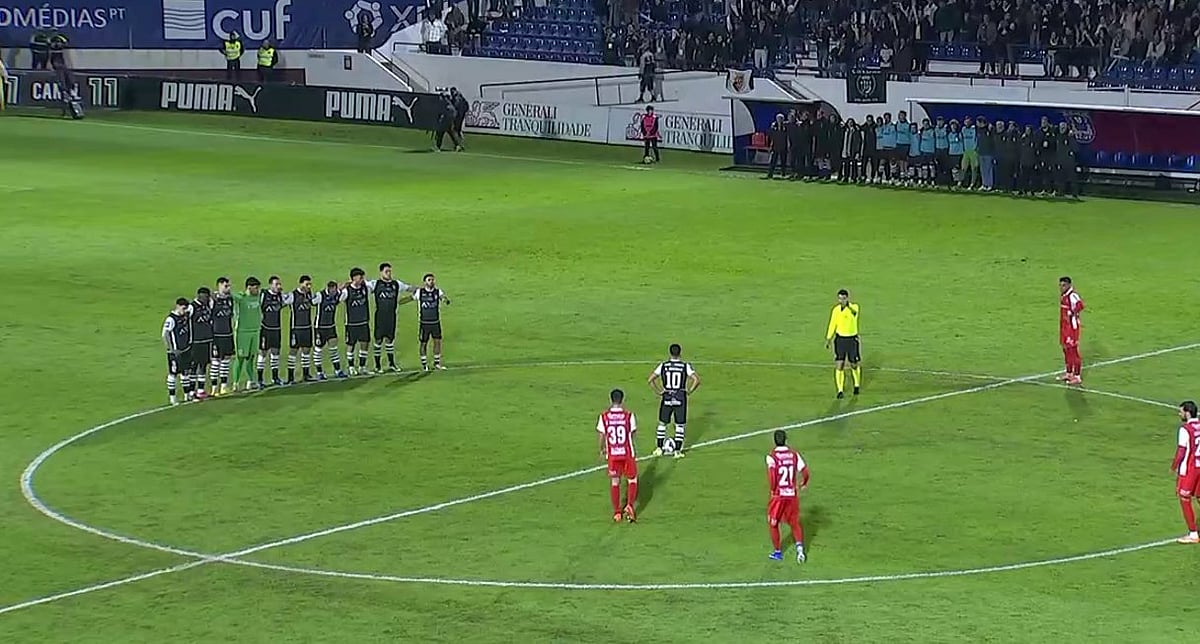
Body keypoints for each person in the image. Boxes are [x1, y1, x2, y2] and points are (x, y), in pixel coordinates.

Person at [648, 343, 700, 457]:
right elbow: (696, 379)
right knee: (679, 425)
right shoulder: (685, 366)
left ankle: (659, 449)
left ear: (670, 353)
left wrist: (659, 391)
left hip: (667, 396)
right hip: (680, 396)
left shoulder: (663, 365)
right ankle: (677, 451)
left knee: (662, 423)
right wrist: (689, 391)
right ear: (680, 353)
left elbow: (650, 379)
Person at [766, 429, 809, 563]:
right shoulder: (794, 455)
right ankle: (800, 550)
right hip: (792, 495)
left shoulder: (771, 457)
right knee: (794, 523)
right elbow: (805, 472)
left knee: (773, 523)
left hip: (779, 496)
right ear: (786, 440)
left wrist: (773, 490)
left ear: (775, 441)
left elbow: (772, 476)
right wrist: (803, 483)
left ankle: (778, 552)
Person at [597, 388, 638, 523]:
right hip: (627, 453)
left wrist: (602, 449)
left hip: (613, 454)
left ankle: (617, 513)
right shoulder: (629, 416)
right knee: (632, 480)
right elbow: (632, 434)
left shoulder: (604, 416)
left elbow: (602, 435)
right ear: (622, 400)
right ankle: (630, 506)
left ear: (611, 400)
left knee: (615, 481)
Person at [370, 262, 413, 373]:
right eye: (386, 271)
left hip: (391, 317)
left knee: (390, 340)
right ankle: (378, 365)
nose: (389, 274)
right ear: (381, 272)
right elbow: (360, 285)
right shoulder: (375, 284)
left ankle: (391, 363)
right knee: (378, 340)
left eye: (390, 271)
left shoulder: (396, 284)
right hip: (380, 317)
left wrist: (422, 289)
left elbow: (409, 288)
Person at [825, 288, 861, 399]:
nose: (842, 301)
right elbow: (832, 324)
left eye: (844, 298)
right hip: (840, 340)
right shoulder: (835, 310)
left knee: (853, 364)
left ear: (847, 298)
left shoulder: (854, 307)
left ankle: (856, 385)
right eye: (840, 299)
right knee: (839, 364)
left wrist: (847, 305)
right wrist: (828, 338)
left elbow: (855, 313)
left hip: (852, 340)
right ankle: (840, 390)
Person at [1173, 401, 1200, 544]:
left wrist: (1174, 466)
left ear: (1187, 413)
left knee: (1185, 499)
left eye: (1181, 411)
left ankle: (1193, 534)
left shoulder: (1185, 429)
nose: (1179, 414)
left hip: (1190, 469)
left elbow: (1182, 451)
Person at [413, 272, 450, 371]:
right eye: (429, 280)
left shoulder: (438, 292)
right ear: (424, 282)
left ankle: (437, 363)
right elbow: (412, 298)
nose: (431, 282)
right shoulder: (420, 292)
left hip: (435, 322)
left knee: (437, 342)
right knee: (423, 343)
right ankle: (424, 363)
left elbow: (443, 297)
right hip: (424, 323)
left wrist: (445, 300)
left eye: (432, 280)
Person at [231, 277, 263, 391]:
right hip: (242, 332)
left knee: (251, 357)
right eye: (256, 287)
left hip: (255, 331)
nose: (258, 290)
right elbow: (231, 295)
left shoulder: (258, 297)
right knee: (240, 358)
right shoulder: (241, 298)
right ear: (249, 287)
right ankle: (235, 383)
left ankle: (251, 381)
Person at [312, 280, 348, 380]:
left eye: (335, 290)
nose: (334, 292)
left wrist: (345, 285)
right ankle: (319, 372)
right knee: (318, 350)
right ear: (328, 288)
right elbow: (312, 302)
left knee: (333, 349)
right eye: (332, 290)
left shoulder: (336, 295)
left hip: (331, 326)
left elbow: (342, 293)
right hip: (320, 327)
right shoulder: (320, 295)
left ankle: (337, 370)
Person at [162, 297, 194, 405]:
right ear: (178, 306)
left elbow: (191, 308)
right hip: (175, 352)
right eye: (183, 308)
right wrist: (171, 349)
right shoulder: (171, 319)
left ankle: (187, 395)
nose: (185, 311)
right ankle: (172, 397)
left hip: (185, 350)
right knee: (173, 374)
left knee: (185, 373)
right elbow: (165, 334)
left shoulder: (185, 315)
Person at [286, 275, 317, 384]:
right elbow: (283, 302)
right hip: (296, 328)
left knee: (306, 350)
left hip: (307, 327)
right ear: (301, 284)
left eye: (310, 284)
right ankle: (290, 377)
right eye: (307, 284)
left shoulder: (309, 294)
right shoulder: (293, 295)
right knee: (293, 351)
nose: (309, 286)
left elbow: (315, 302)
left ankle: (306, 374)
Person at [343, 267, 372, 376]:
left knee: (365, 344)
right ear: (354, 278)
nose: (362, 279)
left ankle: (362, 367)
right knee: (351, 345)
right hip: (351, 323)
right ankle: (351, 367)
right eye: (360, 277)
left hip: (364, 322)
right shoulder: (347, 291)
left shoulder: (365, 288)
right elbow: (337, 298)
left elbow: (372, 285)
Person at [257, 275, 286, 387]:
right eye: (276, 284)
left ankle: (275, 377)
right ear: (270, 285)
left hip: (276, 329)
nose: (279, 286)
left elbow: (284, 304)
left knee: (275, 353)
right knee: (263, 354)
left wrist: (282, 294)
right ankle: (260, 379)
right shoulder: (264, 295)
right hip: (265, 329)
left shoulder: (280, 296)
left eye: (279, 284)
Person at [210, 277, 236, 395]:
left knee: (226, 360)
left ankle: (224, 386)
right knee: (215, 361)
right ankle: (214, 387)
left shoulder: (230, 299)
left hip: (228, 333)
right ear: (219, 286)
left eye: (229, 286)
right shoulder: (212, 300)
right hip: (216, 335)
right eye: (226, 286)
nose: (228, 288)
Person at [189, 286, 214, 400]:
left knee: (203, 365)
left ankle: (200, 390)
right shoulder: (191, 307)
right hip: (195, 341)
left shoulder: (207, 306)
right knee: (193, 366)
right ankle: (190, 391)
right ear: (200, 296)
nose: (208, 298)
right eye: (206, 296)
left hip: (206, 340)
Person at [1058, 276, 1085, 384]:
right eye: (1060, 285)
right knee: (1065, 349)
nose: (1061, 287)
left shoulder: (1072, 295)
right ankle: (1069, 373)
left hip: (1072, 328)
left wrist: (1073, 313)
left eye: (1063, 285)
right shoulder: (1063, 296)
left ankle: (1077, 376)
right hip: (1064, 327)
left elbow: (1080, 305)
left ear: (1069, 285)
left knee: (1073, 351)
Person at [1054, 121, 1080, 198]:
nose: (1062, 129)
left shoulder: (1070, 137)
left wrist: (1071, 137)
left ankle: (1074, 194)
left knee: (1072, 179)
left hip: (1069, 162)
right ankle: (1060, 192)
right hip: (1060, 161)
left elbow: (1076, 149)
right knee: (1060, 179)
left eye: (1063, 127)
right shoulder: (1057, 137)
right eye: (1061, 127)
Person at [764, 113, 789, 180]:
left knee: (783, 161)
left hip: (783, 146)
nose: (779, 120)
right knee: (773, 161)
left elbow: (787, 136)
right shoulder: (774, 126)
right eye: (778, 118)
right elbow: (771, 136)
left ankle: (783, 173)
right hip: (775, 146)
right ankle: (770, 174)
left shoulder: (786, 126)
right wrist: (770, 146)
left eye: (780, 119)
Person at [960, 116, 979, 188]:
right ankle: (960, 183)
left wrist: (976, 148)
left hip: (973, 151)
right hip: (966, 151)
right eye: (966, 121)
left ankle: (973, 183)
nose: (967, 123)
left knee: (974, 168)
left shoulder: (974, 129)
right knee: (963, 168)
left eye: (968, 121)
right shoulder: (963, 129)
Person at [877, 112, 896, 183]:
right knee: (882, 162)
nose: (886, 119)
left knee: (892, 163)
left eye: (887, 117)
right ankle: (879, 177)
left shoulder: (893, 126)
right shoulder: (883, 126)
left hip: (891, 147)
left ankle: (893, 178)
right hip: (884, 147)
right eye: (885, 117)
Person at [946, 120, 963, 186]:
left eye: (954, 125)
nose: (953, 126)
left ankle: (960, 181)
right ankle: (955, 181)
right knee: (953, 169)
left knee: (959, 168)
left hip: (958, 153)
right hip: (951, 153)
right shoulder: (949, 134)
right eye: (952, 125)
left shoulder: (959, 134)